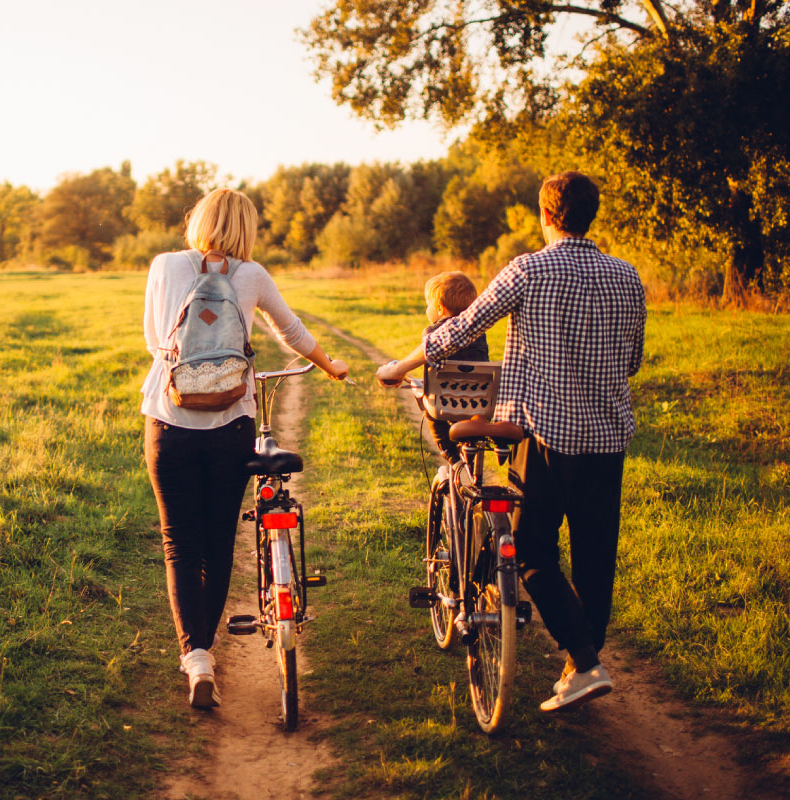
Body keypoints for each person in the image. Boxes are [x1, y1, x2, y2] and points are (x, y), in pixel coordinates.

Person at [377, 171, 646, 713]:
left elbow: (453, 333)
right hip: (608, 437)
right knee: (596, 557)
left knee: (530, 549)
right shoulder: (627, 276)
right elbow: (633, 359)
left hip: (543, 434)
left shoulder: (528, 269)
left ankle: (585, 661)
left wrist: (398, 366)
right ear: (591, 215)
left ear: (545, 216)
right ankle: (580, 661)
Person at [142, 188, 349, 709]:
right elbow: (292, 332)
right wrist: (332, 366)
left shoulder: (164, 266)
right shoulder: (252, 275)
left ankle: (197, 661)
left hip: (170, 421)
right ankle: (206, 646)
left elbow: (153, 341)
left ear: (199, 221)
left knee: (179, 546)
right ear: (246, 229)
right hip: (230, 426)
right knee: (215, 545)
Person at [420, 271, 490, 463]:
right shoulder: (479, 332)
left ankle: (449, 451)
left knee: (429, 406)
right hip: (479, 401)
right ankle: (474, 444)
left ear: (440, 309)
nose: (427, 309)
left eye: (428, 305)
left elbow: (430, 367)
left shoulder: (432, 332)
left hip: (446, 399)